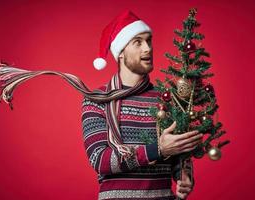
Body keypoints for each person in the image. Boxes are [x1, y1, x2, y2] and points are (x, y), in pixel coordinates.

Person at [81, 10, 203, 200]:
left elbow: (177, 153)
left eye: (149, 40)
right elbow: (100, 160)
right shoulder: (97, 99)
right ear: (120, 53)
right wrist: (158, 150)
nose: (147, 48)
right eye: (137, 42)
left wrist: (184, 176)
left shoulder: (167, 99)